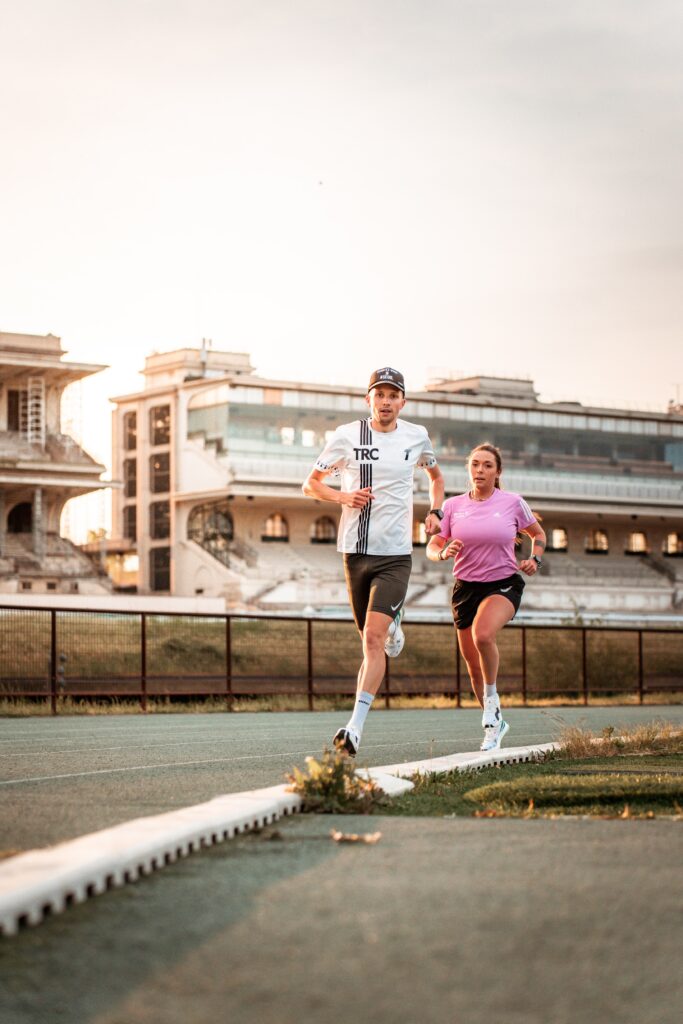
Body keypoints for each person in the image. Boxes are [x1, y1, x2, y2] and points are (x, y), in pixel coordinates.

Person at [302, 367, 444, 756]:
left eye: (393, 395)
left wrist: (436, 513)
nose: (386, 402)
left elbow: (436, 478)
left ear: (403, 402)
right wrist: (342, 498)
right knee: (370, 644)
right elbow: (310, 483)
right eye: (379, 395)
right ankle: (394, 624)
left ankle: (355, 728)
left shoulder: (417, 437)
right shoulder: (346, 436)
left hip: (396, 554)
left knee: (372, 639)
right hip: (354, 552)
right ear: (369, 400)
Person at [426, 443, 546, 751]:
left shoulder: (513, 503)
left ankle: (491, 702)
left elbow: (539, 535)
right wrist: (442, 552)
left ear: (498, 471)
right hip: (465, 588)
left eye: (487, 466)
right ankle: (494, 727)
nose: (480, 470)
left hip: (503, 584)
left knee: (483, 636)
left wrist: (536, 559)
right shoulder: (452, 507)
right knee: (472, 665)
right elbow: (432, 546)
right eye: (475, 464)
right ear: (469, 469)